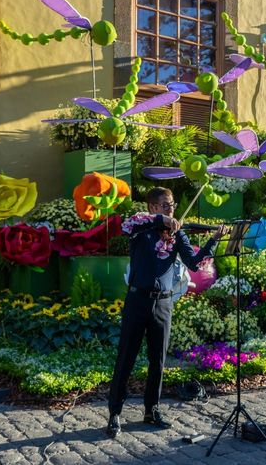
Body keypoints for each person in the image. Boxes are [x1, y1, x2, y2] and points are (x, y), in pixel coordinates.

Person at [106, 187, 228, 438]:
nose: (171, 209)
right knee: (125, 359)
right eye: (165, 205)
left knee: (158, 361)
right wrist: (161, 220)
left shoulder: (177, 234)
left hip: (163, 303)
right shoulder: (141, 227)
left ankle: (152, 410)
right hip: (137, 300)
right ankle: (114, 413)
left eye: (172, 205)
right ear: (152, 207)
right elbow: (126, 225)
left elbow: (193, 263)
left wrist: (213, 240)